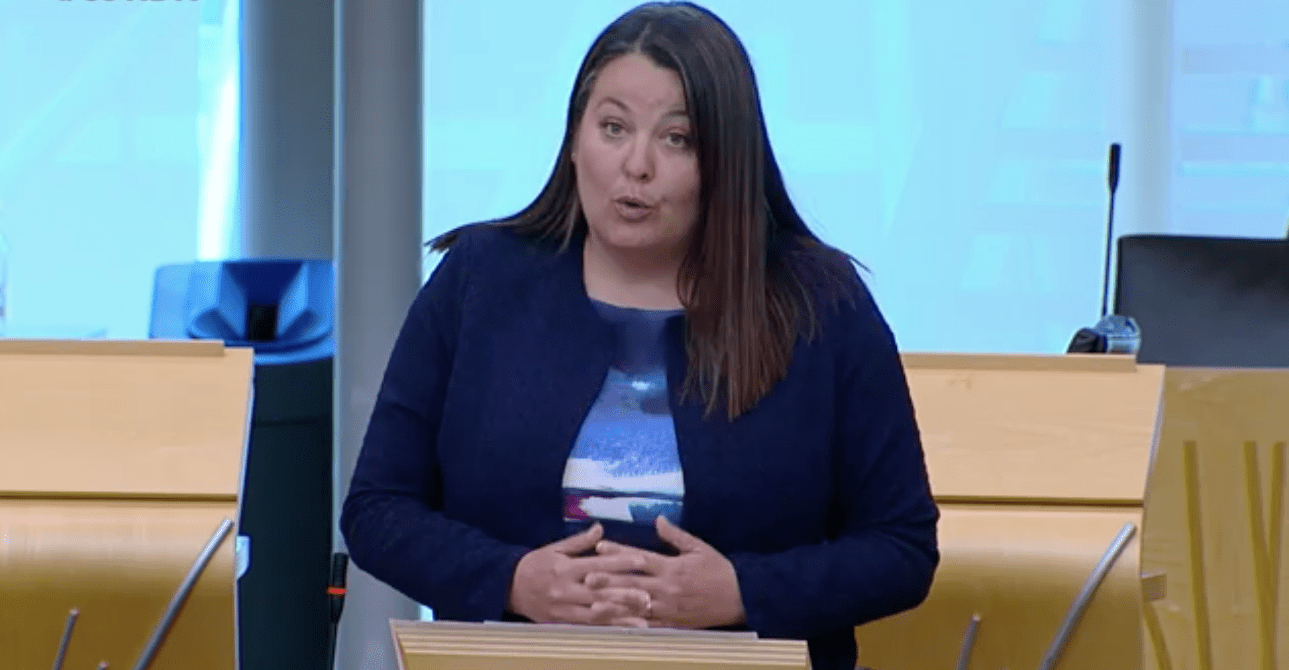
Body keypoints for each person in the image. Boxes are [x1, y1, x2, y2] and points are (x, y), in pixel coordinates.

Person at [340, 3, 939, 669]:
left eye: (676, 139)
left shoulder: (820, 303)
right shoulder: (480, 279)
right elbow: (377, 510)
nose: (637, 165)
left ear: (726, 162)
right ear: (574, 138)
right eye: (613, 128)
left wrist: (743, 592)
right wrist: (512, 580)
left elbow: (901, 547)